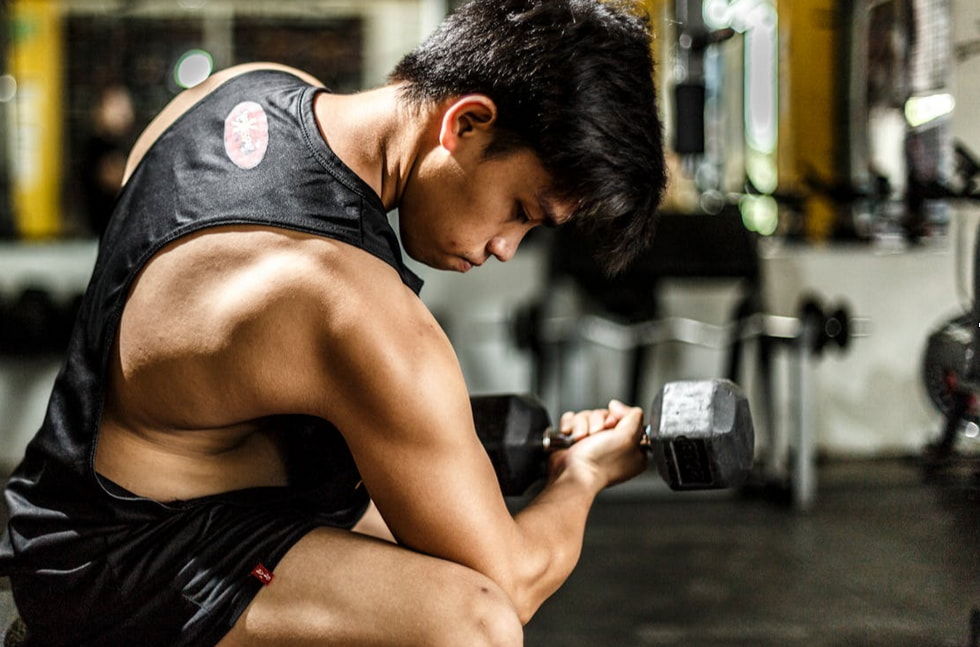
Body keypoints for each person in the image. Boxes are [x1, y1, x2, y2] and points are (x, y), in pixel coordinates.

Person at [0, 0, 666, 645]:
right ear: (466, 122)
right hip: (113, 568)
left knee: (414, 528)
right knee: (473, 621)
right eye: (521, 209)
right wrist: (582, 475)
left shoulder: (246, 90)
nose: (504, 246)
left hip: (63, 504)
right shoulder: (351, 306)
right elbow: (513, 579)